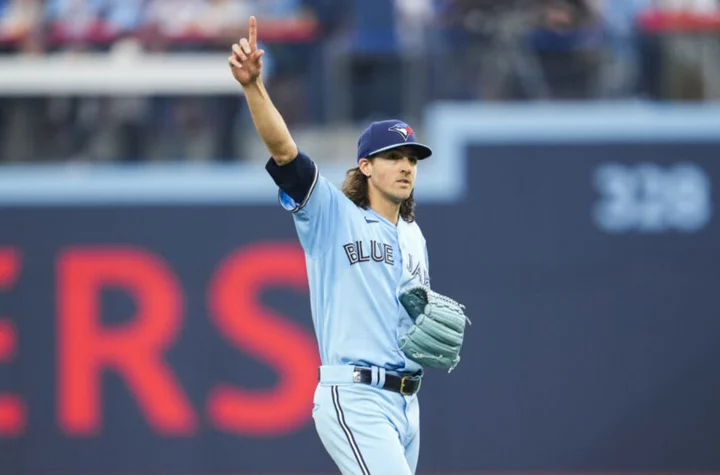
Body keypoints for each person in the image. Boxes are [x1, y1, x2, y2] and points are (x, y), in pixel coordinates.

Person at [229, 16, 444, 475]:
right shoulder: (331, 215)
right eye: (394, 158)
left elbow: (411, 322)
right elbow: (286, 153)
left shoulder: (414, 235)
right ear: (366, 166)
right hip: (356, 394)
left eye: (412, 159)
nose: (406, 167)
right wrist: (253, 88)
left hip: (408, 403)